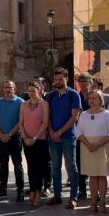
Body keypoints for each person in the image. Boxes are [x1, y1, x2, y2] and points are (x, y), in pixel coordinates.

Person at [76, 90, 109, 213]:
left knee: (102, 175)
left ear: (100, 100)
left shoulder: (107, 114)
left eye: (95, 98)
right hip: (87, 147)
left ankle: (102, 203)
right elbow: (78, 132)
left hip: (103, 147)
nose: (92, 100)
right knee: (92, 176)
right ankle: (93, 202)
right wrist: (89, 144)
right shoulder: (83, 114)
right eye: (90, 98)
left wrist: (97, 145)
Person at [46, 68, 81, 208]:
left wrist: (59, 132)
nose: (58, 82)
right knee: (55, 167)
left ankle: (74, 197)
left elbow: (75, 117)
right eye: (55, 80)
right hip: (53, 137)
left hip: (68, 136)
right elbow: (47, 116)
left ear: (67, 79)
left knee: (72, 167)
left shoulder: (74, 95)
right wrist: (51, 132)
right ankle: (57, 195)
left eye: (60, 79)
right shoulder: (50, 96)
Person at [0, 80, 25, 202]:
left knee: (17, 165)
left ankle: (20, 190)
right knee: (3, 164)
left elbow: (20, 122)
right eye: (5, 87)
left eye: (10, 87)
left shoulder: (21, 102)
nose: (7, 89)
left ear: (14, 89)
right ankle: (2, 189)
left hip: (14, 138)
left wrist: (9, 134)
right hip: (1, 138)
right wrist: (0, 134)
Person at [19, 82, 50, 205]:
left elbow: (45, 123)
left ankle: (38, 192)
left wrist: (35, 138)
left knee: (40, 167)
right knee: (31, 167)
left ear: (39, 91)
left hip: (40, 140)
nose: (31, 93)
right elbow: (21, 123)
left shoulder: (44, 104)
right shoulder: (24, 104)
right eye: (29, 90)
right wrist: (25, 137)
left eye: (33, 90)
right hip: (27, 140)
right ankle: (31, 190)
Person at [76, 72, 93, 199]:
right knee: (80, 162)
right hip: (80, 134)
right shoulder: (77, 96)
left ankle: (96, 191)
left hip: (94, 134)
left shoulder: (95, 96)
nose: (82, 83)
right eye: (80, 81)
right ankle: (82, 190)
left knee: (94, 163)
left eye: (85, 81)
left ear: (90, 82)